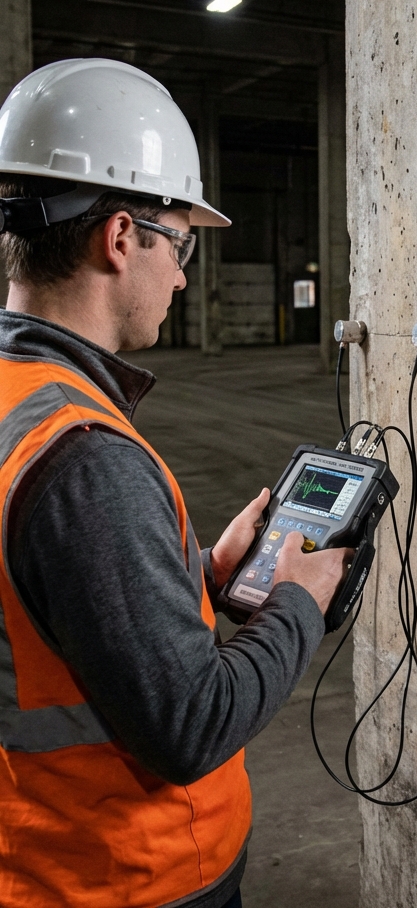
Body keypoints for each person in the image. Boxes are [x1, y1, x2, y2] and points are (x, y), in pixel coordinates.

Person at [0, 58, 349, 908]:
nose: (186, 275)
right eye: (181, 245)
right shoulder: (86, 457)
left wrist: (196, 576)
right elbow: (191, 724)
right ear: (121, 238)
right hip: (118, 874)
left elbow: (42, 607)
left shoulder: (18, 401)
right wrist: (298, 601)